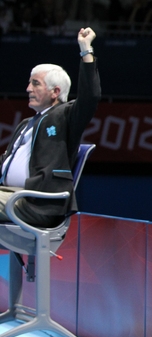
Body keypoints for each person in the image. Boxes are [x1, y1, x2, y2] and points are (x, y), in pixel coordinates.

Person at [0, 28, 100, 228]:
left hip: (38, 203)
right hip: (10, 194)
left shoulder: (65, 116)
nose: (28, 88)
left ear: (55, 92)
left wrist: (85, 49)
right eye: (30, 83)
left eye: (35, 83)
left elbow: (90, 98)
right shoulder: (25, 124)